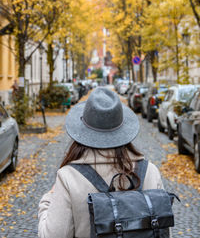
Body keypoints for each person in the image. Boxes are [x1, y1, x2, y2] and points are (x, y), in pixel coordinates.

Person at [38, 87, 164, 238]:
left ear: (83, 130)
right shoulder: (150, 171)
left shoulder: (68, 177)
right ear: (123, 129)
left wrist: (48, 200)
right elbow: (162, 229)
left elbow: (52, 235)